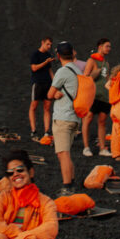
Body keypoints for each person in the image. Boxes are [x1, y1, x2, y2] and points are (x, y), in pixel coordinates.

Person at [46, 41, 80, 196]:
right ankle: (71, 182)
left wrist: (56, 93)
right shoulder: (77, 70)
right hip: (74, 117)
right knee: (65, 152)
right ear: (72, 53)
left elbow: (49, 94)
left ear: (58, 55)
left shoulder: (62, 71)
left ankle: (67, 188)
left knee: (63, 153)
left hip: (63, 117)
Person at [81, 38, 112, 157]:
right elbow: (86, 77)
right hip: (93, 95)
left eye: (109, 47)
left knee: (102, 121)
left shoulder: (106, 63)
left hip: (104, 96)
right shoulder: (92, 60)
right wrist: (96, 73)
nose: (109, 49)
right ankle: (86, 147)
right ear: (100, 46)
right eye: (107, 46)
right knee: (88, 119)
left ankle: (103, 148)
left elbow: (107, 79)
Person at [29, 36, 54, 140]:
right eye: (47, 44)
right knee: (34, 106)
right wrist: (45, 62)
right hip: (38, 83)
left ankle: (47, 131)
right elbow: (34, 68)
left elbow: (50, 70)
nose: (49, 46)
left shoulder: (48, 55)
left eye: (50, 45)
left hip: (48, 83)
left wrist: (55, 83)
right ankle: (33, 130)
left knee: (47, 107)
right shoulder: (35, 54)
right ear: (42, 42)